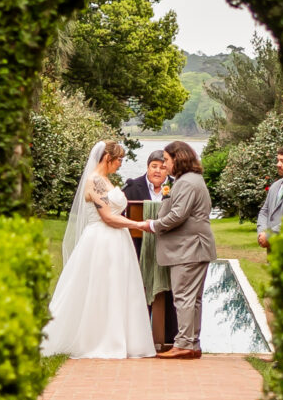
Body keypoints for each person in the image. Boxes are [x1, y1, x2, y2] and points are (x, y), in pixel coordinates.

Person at [41, 141, 157, 360]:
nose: (120, 164)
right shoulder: (94, 181)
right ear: (107, 158)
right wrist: (139, 225)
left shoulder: (105, 180)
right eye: (119, 159)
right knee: (101, 287)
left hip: (117, 240)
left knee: (118, 288)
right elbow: (108, 217)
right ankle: (99, 338)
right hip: (102, 240)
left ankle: (122, 338)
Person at [131, 140, 216, 359]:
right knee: (193, 299)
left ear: (178, 159)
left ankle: (184, 344)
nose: (165, 165)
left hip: (189, 248)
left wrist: (152, 225)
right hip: (193, 247)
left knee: (184, 297)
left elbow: (178, 215)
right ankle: (192, 343)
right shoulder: (190, 179)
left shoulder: (186, 182)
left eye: (167, 160)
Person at [127, 148, 178, 350]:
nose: (157, 171)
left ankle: (169, 339)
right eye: (153, 166)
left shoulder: (177, 187)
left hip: (170, 247)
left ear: (168, 170)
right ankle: (138, 338)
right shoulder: (132, 187)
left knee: (169, 291)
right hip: (139, 247)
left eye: (162, 167)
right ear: (147, 168)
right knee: (140, 289)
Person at [257, 148, 283, 242]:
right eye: (278, 160)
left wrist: (270, 235)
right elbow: (264, 211)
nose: (278, 164)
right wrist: (262, 233)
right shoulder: (275, 185)